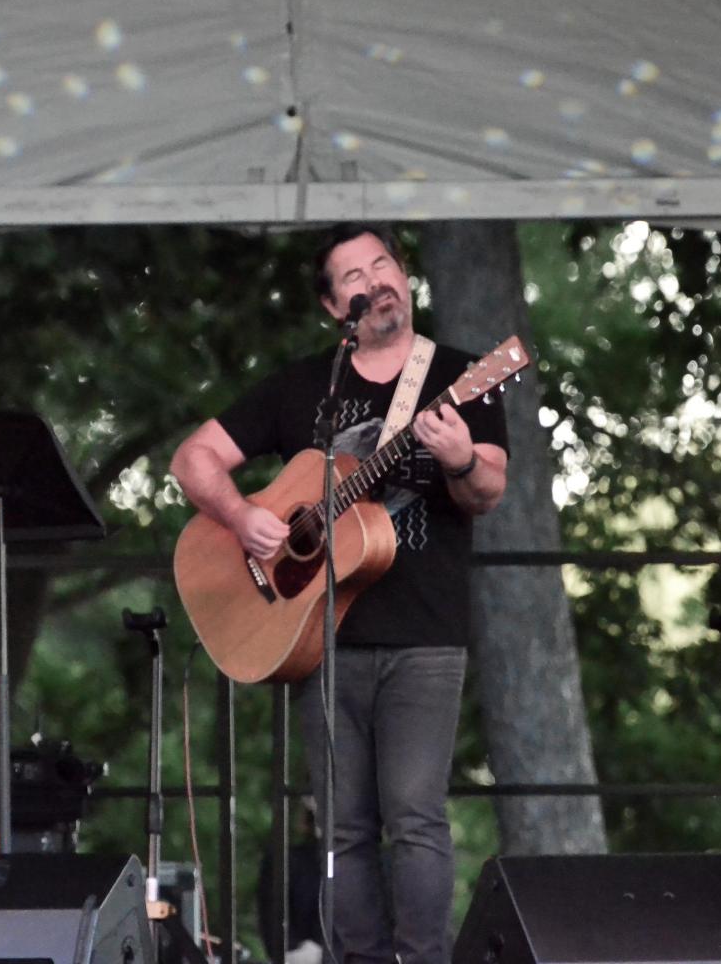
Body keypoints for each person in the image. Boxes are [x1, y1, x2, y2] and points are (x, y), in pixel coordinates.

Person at [170, 224, 509, 963]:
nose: (375, 281)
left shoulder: (459, 378)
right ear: (334, 307)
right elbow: (192, 459)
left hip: (424, 634)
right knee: (342, 828)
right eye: (354, 275)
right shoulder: (302, 387)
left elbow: (486, 490)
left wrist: (457, 460)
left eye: (383, 264)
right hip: (317, 635)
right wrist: (242, 516)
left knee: (415, 817)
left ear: (405, 277)